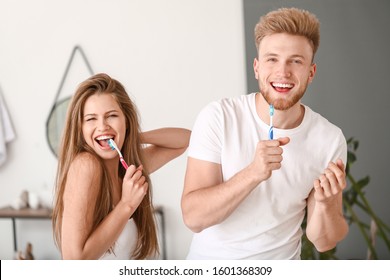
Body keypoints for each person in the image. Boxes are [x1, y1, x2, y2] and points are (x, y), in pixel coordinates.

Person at [181, 7, 349, 259]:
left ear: (311, 73)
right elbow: (193, 218)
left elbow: (323, 242)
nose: (283, 72)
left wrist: (325, 206)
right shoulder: (219, 117)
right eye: (272, 59)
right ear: (257, 67)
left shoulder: (329, 139)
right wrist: (252, 173)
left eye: (296, 61)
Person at [52, 73, 190, 259]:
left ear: (126, 120)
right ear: (80, 128)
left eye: (112, 116)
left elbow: (185, 140)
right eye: (91, 119)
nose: (102, 126)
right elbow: (74, 260)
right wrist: (127, 204)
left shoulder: (126, 169)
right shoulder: (86, 165)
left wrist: (131, 136)